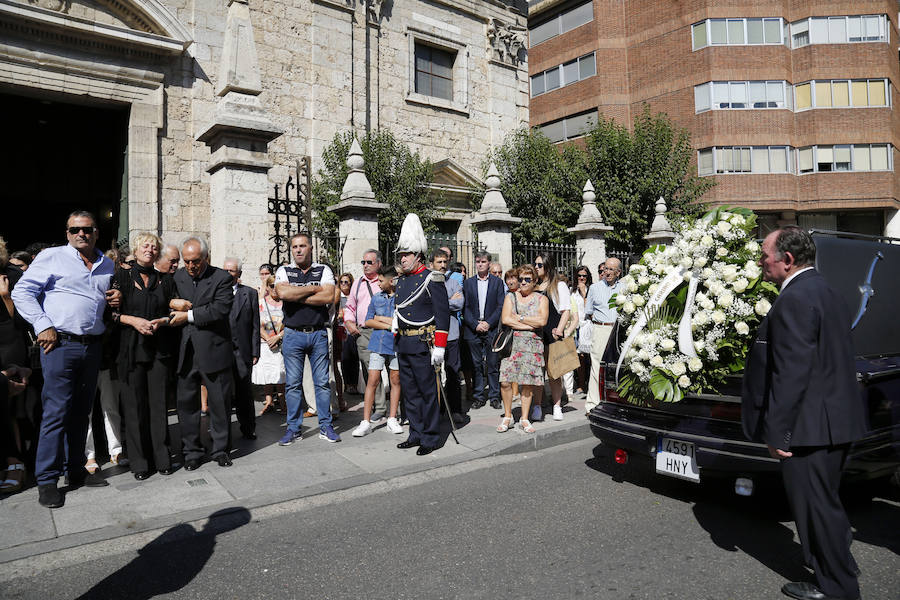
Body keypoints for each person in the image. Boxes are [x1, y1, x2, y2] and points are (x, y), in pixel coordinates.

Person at [741, 227, 866, 600]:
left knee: (817, 509)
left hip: (810, 428)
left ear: (787, 260)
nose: (762, 262)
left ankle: (838, 588)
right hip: (833, 421)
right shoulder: (826, 290)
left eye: (765, 255)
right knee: (824, 504)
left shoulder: (796, 298)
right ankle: (835, 566)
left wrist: (778, 433)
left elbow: (792, 372)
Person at [12, 210, 117, 507]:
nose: (81, 234)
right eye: (75, 230)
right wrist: (42, 324)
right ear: (67, 233)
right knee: (56, 412)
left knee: (81, 412)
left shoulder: (106, 263)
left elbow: (102, 300)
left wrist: (114, 300)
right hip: (60, 345)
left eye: (87, 229)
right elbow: (22, 292)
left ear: (97, 232)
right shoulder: (53, 257)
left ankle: (75, 470)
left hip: (92, 345)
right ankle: (47, 479)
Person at [115, 233, 179, 480]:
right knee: (134, 408)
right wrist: (133, 321)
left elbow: (173, 313)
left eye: (154, 247)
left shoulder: (165, 280)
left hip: (159, 350)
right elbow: (108, 314)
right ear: (136, 249)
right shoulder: (120, 278)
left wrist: (163, 320)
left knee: (159, 406)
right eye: (145, 246)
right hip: (131, 350)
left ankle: (162, 458)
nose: (150, 250)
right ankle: (140, 463)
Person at [169, 236, 235, 469]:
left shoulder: (222, 278)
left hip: (214, 351)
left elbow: (219, 309)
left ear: (205, 258)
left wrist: (187, 314)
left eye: (195, 261)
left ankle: (220, 449)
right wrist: (172, 304)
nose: (190, 266)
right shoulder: (176, 277)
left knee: (219, 404)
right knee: (187, 406)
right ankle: (192, 452)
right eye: (186, 261)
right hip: (185, 352)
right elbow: (167, 302)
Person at [275, 233, 339, 445]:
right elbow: (283, 294)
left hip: (318, 333)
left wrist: (297, 294)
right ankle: (294, 429)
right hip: (292, 335)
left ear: (310, 248)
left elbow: (329, 296)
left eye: (302, 246)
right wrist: (313, 288)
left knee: (322, 383)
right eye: (295, 247)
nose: (298, 250)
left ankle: (326, 426)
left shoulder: (324, 270)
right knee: (293, 385)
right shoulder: (284, 270)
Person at [394, 214, 451, 455]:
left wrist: (440, 347)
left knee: (428, 392)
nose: (402, 258)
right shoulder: (401, 281)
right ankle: (415, 432)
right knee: (410, 392)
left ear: (417, 255)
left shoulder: (432, 278)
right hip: (405, 343)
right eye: (401, 254)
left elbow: (443, 315)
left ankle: (430, 436)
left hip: (423, 342)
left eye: (406, 254)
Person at [84, 248, 125, 477]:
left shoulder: (114, 294)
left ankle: (115, 449)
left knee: (111, 407)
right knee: (86, 411)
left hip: (107, 356)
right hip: (87, 355)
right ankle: (88, 455)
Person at [352, 265, 403, 436]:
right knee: (372, 380)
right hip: (378, 343)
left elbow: (402, 321)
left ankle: (392, 418)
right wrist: (389, 323)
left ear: (391, 281)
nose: (378, 284)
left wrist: (380, 318)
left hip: (397, 344)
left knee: (395, 379)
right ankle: (365, 421)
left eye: (381, 281)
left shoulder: (402, 298)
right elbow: (368, 321)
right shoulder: (376, 298)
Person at [497, 265, 548, 434]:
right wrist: (528, 325)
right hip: (512, 345)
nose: (523, 282)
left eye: (527, 279)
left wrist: (520, 318)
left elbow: (542, 322)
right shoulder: (511, 297)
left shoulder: (542, 299)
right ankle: (508, 415)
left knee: (527, 384)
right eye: (521, 279)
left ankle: (524, 418)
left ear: (535, 281)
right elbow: (506, 319)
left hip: (532, 346)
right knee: (505, 381)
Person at [343, 249, 387, 419]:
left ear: (379, 263)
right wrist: (349, 322)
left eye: (370, 262)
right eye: (363, 262)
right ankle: (380, 407)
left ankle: (396, 407)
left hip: (384, 330)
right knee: (370, 368)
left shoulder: (385, 281)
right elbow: (350, 305)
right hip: (364, 332)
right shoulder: (358, 283)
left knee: (394, 370)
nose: (366, 266)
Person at [462, 251, 505, 410]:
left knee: (493, 364)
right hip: (473, 329)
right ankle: (478, 396)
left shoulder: (497, 283)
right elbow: (464, 307)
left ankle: (494, 396)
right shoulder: (468, 283)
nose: (480, 264)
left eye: (483, 261)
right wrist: (475, 324)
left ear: (489, 264)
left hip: (491, 329)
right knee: (476, 364)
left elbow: (501, 306)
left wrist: (488, 323)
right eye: (478, 261)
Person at [224, 258, 260, 440]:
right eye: (226, 270)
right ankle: (223, 431)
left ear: (239, 274)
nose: (228, 273)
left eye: (232, 271)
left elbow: (255, 325)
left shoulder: (250, 293)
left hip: (243, 351)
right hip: (221, 350)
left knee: (244, 391)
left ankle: (248, 427)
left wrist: (255, 351)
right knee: (222, 393)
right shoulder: (216, 293)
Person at [533, 253, 570, 421]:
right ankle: (538, 406)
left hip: (552, 334)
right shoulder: (533, 285)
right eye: (535, 264)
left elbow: (565, 311)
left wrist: (560, 330)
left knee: (554, 374)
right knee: (537, 374)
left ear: (547, 266)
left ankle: (556, 405)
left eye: (539, 265)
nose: (536, 267)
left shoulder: (558, 285)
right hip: (536, 334)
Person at [583, 258, 622, 414]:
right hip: (600, 329)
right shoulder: (594, 288)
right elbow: (588, 312)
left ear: (618, 272)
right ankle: (592, 404)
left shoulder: (625, 288)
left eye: (611, 269)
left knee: (617, 367)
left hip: (618, 331)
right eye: (605, 269)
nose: (607, 272)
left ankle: (616, 401)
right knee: (597, 367)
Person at [432, 250, 465, 423]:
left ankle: (455, 409)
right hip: (432, 336)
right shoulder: (427, 283)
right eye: (439, 262)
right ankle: (435, 410)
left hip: (451, 335)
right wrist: (446, 301)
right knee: (432, 375)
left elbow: (460, 303)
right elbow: (427, 305)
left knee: (453, 373)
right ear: (432, 264)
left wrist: (439, 303)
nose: (443, 265)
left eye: (445, 262)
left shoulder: (453, 283)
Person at [254, 275, 286, 414]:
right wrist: (268, 339)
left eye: (276, 285)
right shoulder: (261, 303)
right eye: (271, 285)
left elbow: (290, 323)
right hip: (265, 342)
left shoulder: (286, 303)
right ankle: (269, 402)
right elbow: (256, 323)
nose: (274, 288)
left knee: (280, 373)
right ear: (267, 287)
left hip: (281, 342)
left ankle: (283, 403)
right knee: (267, 373)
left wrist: (278, 337)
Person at [570, 265, 593, 396]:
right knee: (579, 357)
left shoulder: (591, 290)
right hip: (576, 326)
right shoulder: (572, 291)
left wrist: (584, 293)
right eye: (579, 275)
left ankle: (591, 383)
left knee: (589, 356)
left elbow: (589, 309)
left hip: (588, 326)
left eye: (584, 275)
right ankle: (580, 384)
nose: (582, 278)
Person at [336, 273, 359, 396]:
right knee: (344, 358)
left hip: (353, 330)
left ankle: (354, 385)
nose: (344, 284)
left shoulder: (353, 297)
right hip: (342, 331)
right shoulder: (337, 297)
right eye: (342, 282)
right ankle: (347, 384)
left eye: (346, 282)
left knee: (354, 358)